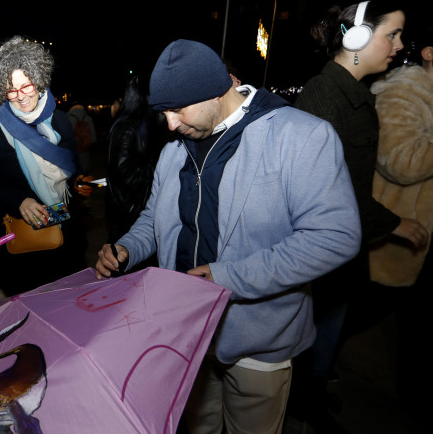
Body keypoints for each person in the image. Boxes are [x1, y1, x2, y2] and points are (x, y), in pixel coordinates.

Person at [94, 39, 362, 434]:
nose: (169, 124)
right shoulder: (175, 150)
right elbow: (154, 218)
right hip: (185, 330)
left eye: (177, 110)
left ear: (217, 90)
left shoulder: (301, 136)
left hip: (259, 337)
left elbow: (334, 236)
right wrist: (126, 249)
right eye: (162, 113)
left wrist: (227, 278)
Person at [293, 0, 429, 429]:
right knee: (310, 330)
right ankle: (302, 402)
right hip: (322, 246)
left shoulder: (352, 93)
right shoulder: (325, 98)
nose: (400, 45)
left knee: (328, 326)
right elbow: (335, 193)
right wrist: (395, 224)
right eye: (392, 34)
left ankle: (310, 394)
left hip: (342, 247)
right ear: (356, 37)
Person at [0, 36, 93, 296]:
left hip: (67, 237)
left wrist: (79, 182)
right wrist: (19, 201)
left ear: (38, 81)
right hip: (26, 245)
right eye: (11, 90)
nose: (21, 97)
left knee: (71, 302)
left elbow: (71, 165)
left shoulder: (61, 121)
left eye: (26, 86)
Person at [368, 24, 433, 417]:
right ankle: (313, 375)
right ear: (429, 52)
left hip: (424, 238)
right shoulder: (402, 92)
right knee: (364, 311)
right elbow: (400, 162)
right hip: (396, 237)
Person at [105, 75, 163, 246]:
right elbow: (124, 172)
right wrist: (159, 170)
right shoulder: (128, 127)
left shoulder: (139, 124)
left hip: (131, 207)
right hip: (129, 209)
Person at [66, 101, 97, 174]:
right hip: (84, 151)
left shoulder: (66, 117)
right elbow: (93, 138)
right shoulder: (88, 118)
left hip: (71, 152)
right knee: (84, 174)